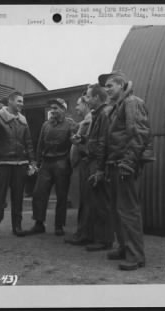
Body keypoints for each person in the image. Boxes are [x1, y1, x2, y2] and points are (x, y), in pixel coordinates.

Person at [98, 70, 155, 270]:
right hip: (115, 165)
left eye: (110, 86)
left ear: (121, 86)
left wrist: (129, 163)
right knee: (118, 210)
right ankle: (124, 247)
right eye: (105, 87)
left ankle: (136, 256)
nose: (106, 90)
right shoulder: (116, 108)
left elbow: (139, 133)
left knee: (128, 211)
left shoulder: (132, 102)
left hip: (124, 164)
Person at [0, 91, 36, 239]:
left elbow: (28, 143)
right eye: (19, 101)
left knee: (18, 197)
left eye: (22, 101)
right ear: (10, 102)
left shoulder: (23, 121)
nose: (22, 104)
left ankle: (17, 227)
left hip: (20, 164)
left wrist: (32, 162)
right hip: (3, 163)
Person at [28, 98, 77, 236]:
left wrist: (70, 164)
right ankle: (39, 223)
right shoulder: (45, 125)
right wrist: (36, 163)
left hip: (62, 163)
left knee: (62, 195)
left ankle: (59, 225)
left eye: (56, 108)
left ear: (63, 109)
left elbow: (75, 144)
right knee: (39, 193)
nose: (53, 111)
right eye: (52, 108)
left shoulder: (71, 124)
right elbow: (40, 145)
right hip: (46, 163)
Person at [81, 83, 115, 252]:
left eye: (88, 96)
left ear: (96, 97)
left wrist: (100, 168)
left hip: (98, 163)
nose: (86, 100)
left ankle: (104, 240)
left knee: (101, 201)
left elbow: (103, 142)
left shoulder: (104, 114)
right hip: (94, 161)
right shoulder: (99, 113)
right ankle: (96, 236)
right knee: (95, 200)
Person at [64, 95, 94, 245]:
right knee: (85, 200)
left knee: (85, 200)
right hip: (82, 164)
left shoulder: (88, 120)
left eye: (78, 105)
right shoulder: (85, 121)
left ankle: (83, 234)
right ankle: (83, 232)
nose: (76, 108)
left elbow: (87, 145)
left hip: (84, 164)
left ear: (86, 104)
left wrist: (76, 141)